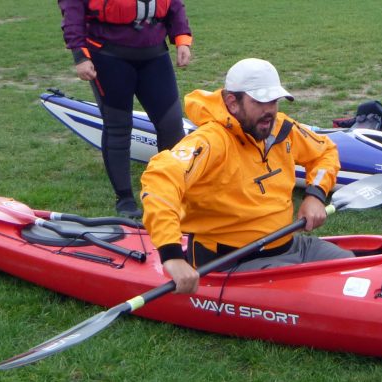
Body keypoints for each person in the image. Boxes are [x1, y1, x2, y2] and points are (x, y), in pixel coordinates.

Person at [140, 58, 354, 294]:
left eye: (274, 101)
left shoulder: (281, 129)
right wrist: (171, 255)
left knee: (354, 269)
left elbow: (325, 151)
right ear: (233, 102)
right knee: (326, 293)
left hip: (289, 245)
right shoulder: (210, 141)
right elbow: (160, 180)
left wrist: (315, 194)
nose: (270, 110)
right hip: (231, 262)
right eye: (260, 102)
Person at [57, 0, 193, 218]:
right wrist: (80, 54)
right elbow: (73, 9)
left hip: (154, 54)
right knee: (118, 127)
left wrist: (182, 39)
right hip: (108, 55)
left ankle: (171, 190)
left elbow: (174, 4)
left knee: (171, 125)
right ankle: (125, 199)